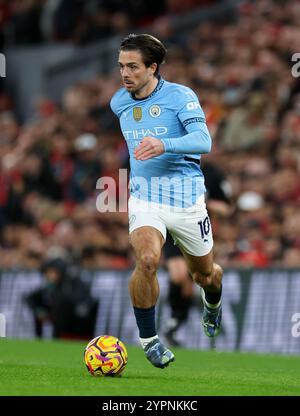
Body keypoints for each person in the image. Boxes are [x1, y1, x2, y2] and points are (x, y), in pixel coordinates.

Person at [110, 34, 223, 369]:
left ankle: (212, 304)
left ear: (152, 68)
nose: (124, 73)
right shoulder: (119, 102)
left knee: (205, 276)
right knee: (147, 260)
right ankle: (150, 341)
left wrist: (164, 145)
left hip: (188, 202)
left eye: (132, 66)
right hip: (146, 200)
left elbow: (204, 141)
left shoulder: (180, 96)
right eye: (121, 66)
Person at [164, 160, 232, 347]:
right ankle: (174, 322)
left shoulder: (213, 173)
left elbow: (226, 208)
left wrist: (204, 201)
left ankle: (202, 311)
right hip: (172, 228)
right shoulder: (170, 166)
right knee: (178, 275)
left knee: (199, 279)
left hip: (198, 230)